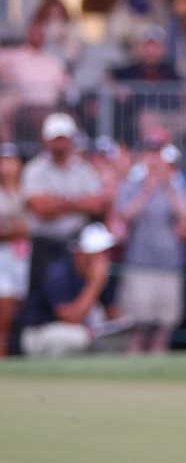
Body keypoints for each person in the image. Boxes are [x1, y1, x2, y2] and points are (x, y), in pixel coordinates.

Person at [21, 114, 107, 328]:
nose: (60, 143)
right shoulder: (35, 169)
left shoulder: (83, 170)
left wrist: (58, 202)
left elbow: (97, 204)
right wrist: (78, 202)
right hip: (45, 245)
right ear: (45, 140)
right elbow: (40, 208)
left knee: (75, 295)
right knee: (42, 302)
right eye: (55, 138)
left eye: (64, 138)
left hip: (75, 246)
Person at [111, 141, 186, 353]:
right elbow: (125, 215)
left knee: (164, 326)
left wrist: (167, 188)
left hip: (169, 264)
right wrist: (147, 190)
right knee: (138, 325)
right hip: (140, 263)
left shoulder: (176, 186)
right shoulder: (132, 185)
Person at [17, 222, 116, 356]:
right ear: (80, 253)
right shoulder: (58, 273)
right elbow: (70, 318)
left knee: (114, 339)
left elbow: (112, 312)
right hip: (38, 334)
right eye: (98, 253)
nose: (103, 259)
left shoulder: (98, 274)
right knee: (80, 337)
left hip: (73, 330)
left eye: (106, 253)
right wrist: (95, 284)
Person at [0, 21, 72, 142]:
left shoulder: (52, 60)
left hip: (48, 105)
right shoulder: (15, 55)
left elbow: (65, 84)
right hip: (20, 101)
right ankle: (7, 148)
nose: (36, 36)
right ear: (28, 34)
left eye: (40, 34)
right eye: (33, 33)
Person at [0, 143, 27, 356]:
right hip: (4, 255)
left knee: (21, 305)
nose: (7, 166)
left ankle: (16, 354)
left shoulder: (26, 188)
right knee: (5, 306)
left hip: (25, 254)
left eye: (11, 160)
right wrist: (17, 230)